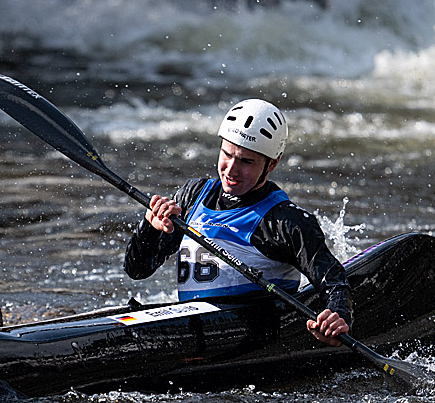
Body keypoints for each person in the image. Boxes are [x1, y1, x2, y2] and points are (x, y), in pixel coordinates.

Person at [123, 98, 351, 346]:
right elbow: (137, 270)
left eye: (246, 161)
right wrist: (150, 228)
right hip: (194, 332)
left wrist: (336, 317)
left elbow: (336, 283)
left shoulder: (287, 221)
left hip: (251, 339)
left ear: (271, 164)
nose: (231, 170)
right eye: (226, 154)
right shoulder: (193, 195)